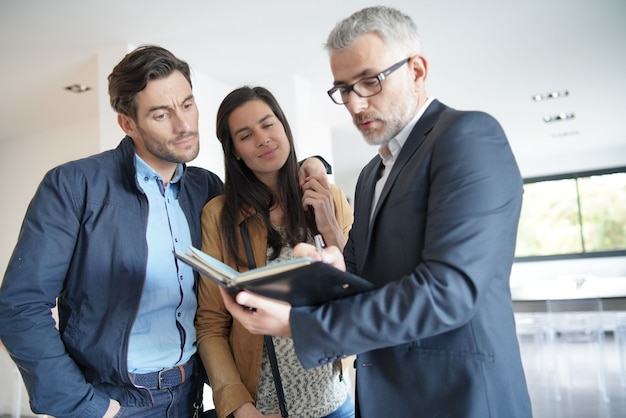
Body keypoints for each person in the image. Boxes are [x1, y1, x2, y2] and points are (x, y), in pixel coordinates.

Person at [218, 6, 533, 418]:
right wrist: (325, 268)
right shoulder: (371, 174)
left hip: (460, 399)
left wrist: (300, 324)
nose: (355, 103)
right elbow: (364, 277)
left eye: (370, 81)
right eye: (343, 89)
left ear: (417, 70)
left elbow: (448, 291)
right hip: (385, 398)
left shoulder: (468, 137)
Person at [0, 45, 329, 418]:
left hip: (191, 395)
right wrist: (88, 407)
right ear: (128, 124)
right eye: (161, 114)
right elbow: (20, 307)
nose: (184, 124)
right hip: (113, 401)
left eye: (188, 104)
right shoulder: (74, 186)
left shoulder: (208, 190)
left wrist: (314, 164)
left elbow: (267, 178)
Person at [195, 86, 355, 418]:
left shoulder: (329, 196)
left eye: (269, 124)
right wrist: (238, 406)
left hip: (335, 403)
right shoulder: (219, 215)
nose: (263, 139)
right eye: (246, 134)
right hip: (265, 410)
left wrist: (328, 227)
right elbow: (211, 324)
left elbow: (357, 295)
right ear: (235, 151)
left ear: (283, 126)